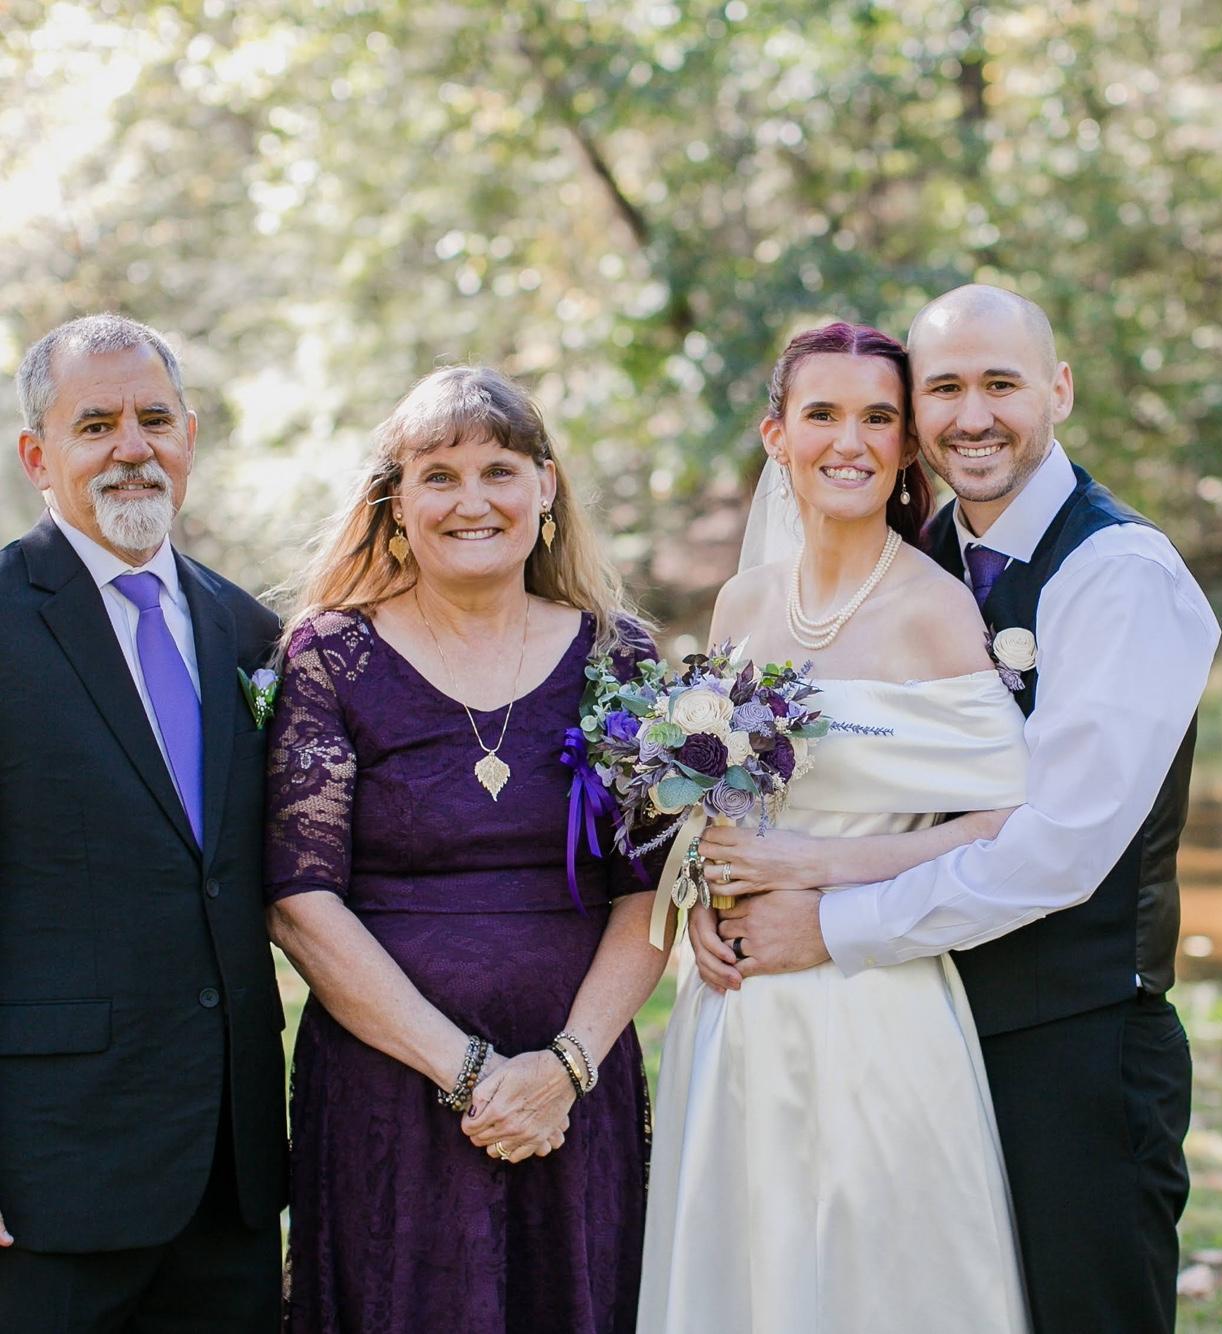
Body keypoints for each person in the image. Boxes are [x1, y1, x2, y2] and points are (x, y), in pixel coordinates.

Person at [693, 286, 1220, 1333]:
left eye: (1001, 385)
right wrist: (720, 891)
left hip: (1072, 1042)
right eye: (943, 388)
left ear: (1057, 390)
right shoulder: (921, 554)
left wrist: (824, 916)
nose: (972, 416)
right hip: (916, 1026)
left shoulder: (1117, 573)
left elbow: (1055, 851)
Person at [639, 322, 1032, 1333]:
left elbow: (1007, 819)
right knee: (740, 1265)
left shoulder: (935, 608)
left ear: (904, 447)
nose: (847, 441)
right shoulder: (741, 601)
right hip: (735, 1005)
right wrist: (701, 899)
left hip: (870, 996)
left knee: (870, 1273)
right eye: (821, 413)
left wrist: (816, 866)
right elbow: (719, 797)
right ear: (777, 434)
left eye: (876, 418)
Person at [264, 365, 668, 1333]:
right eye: (438, 476)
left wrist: (562, 1068)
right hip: (392, 1087)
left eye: (499, 471)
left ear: (545, 488)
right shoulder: (331, 656)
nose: (471, 500)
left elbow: (652, 889)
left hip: (575, 1089)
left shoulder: (619, 657)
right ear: (395, 503)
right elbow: (299, 900)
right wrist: (470, 1073)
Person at [0, 314, 287, 1330]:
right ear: (38, 456)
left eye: (155, 419)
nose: (133, 447)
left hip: (230, 1178)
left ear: (189, 437)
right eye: (96, 425)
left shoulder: (251, 632)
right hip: (50, 1177)